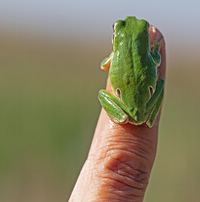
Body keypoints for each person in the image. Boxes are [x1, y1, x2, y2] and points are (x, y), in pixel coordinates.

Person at [69, 26, 166, 202]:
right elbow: (157, 62)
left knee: (101, 93)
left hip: (123, 111)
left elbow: (103, 65)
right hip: (146, 110)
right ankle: (150, 118)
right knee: (161, 84)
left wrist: (114, 56)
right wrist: (155, 49)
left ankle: (121, 116)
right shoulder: (150, 55)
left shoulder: (115, 55)